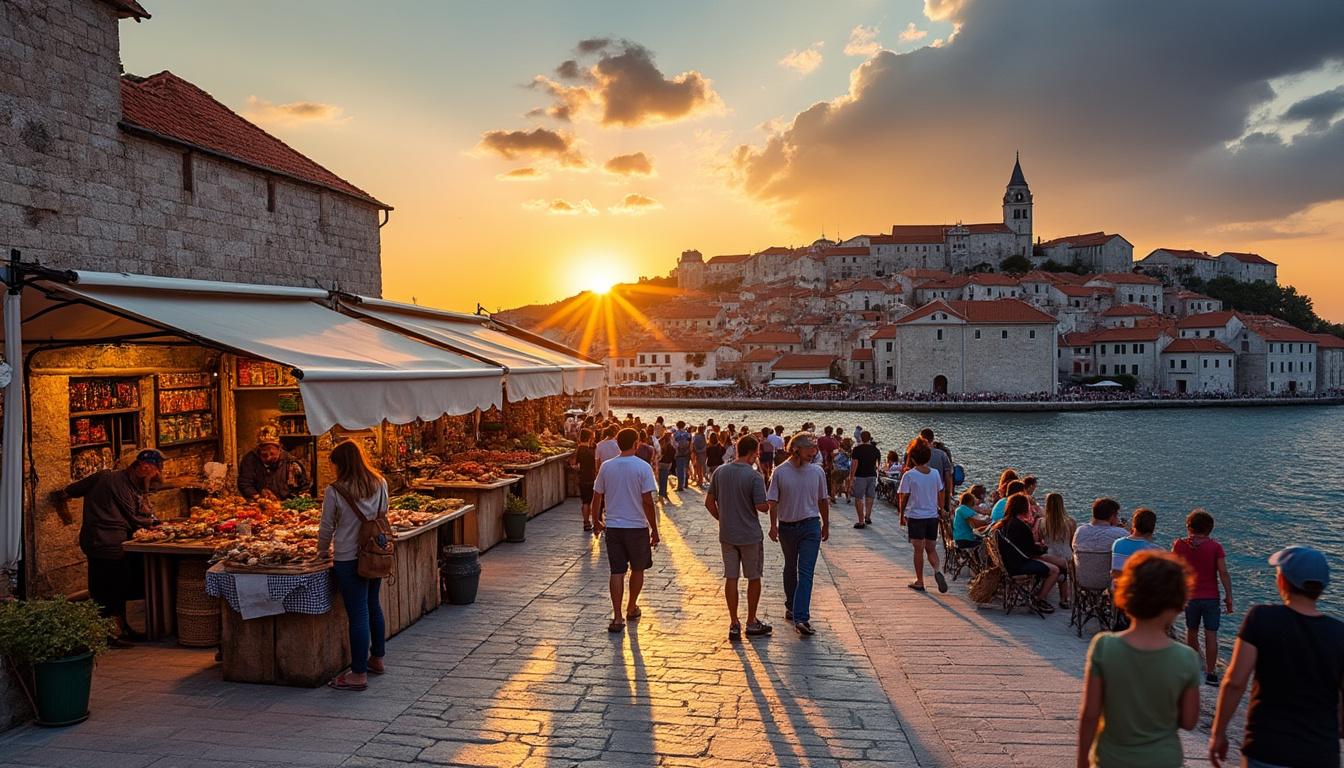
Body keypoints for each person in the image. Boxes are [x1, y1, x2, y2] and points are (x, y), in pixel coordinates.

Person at [1208, 546, 1344, 768]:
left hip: (1266, 748)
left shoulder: (1262, 618)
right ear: (1322, 588)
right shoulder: (1339, 634)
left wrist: (1218, 732)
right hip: (1321, 754)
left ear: (1282, 582)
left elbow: (1235, 682)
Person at [1077, 551, 1201, 768]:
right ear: (1178, 602)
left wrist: (1081, 762)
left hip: (1111, 759)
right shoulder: (1186, 658)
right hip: (1163, 759)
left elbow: (1090, 714)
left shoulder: (1104, 646)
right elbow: (1189, 721)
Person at [60, 449, 164, 645]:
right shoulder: (120, 485)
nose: (155, 475)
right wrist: (155, 524)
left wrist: (63, 498)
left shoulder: (105, 476)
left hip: (96, 540)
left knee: (113, 586)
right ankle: (110, 634)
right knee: (108, 589)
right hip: (106, 541)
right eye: (154, 472)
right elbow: (134, 517)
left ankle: (121, 628)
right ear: (144, 467)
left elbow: (71, 490)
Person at [319, 440, 390, 692]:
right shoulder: (380, 483)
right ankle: (377, 658)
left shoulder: (336, 490)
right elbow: (384, 514)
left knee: (358, 613)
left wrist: (320, 550)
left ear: (341, 465)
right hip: (374, 553)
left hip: (348, 557)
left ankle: (358, 673)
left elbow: (327, 525)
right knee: (373, 605)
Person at [591, 428, 660, 634]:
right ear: (636, 443)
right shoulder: (643, 467)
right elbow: (648, 501)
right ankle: (631, 607)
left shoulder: (606, 466)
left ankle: (617, 616)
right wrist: (654, 528)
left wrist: (596, 520)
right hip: (636, 527)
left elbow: (597, 496)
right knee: (638, 569)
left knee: (617, 571)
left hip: (613, 526)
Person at [706, 435, 773, 641]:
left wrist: (723, 519)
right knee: (753, 577)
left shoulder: (720, 472)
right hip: (750, 535)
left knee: (731, 577)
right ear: (754, 453)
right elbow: (762, 507)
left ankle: (734, 622)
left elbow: (709, 503)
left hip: (727, 534)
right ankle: (751, 621)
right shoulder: (754, 477)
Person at [767, 433, 830, 637]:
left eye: (815, 449)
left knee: (806, 572)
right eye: (809, 449)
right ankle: (791, 605)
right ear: (796, 449)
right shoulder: (780, 472)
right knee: (790, 567)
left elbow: (823, 500)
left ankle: (801, 617)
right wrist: (773, 525)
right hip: (787, 527)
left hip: (811, 525)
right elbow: (773, 501)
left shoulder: (817, 472)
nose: (814, 453)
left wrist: (826, 524)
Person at [1170, 509, 1233, 686]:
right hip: (1211, 597)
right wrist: (1229, 597)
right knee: (1211, 634)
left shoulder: (1179, 545)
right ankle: (1211, 672)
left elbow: (1174, 570)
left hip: (1190, 596)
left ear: (1188, 526)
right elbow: (1223, 573)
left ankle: (1192, 666)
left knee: (1192, 631)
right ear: (1210, 529)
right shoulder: (1215, 547)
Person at [993, 494, 1059, 612]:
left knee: (1046, 561)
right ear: (1023, 508)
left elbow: (1020, 546)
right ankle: (1038, 599)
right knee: (1055, 570)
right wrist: (1043, 548)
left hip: (1008, 563)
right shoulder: (1021, 527)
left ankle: (1035, 594)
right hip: (1018, 565)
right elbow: (1031, 551)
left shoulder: (1004, 523)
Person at [897, 440, 946, 593]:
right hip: (932, 516)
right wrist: (941, 509)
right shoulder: (935, 473)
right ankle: (937, 570)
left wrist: (901, 514)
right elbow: (941, 492)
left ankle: (920, 581)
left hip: (916, 516)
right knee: (931, 548)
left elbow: (904, 497)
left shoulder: (909, 475)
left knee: (918, 550)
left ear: (912, 458)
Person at [238, 424, 309, 500]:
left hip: (286, 504)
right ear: (259, 451)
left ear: (279, 450)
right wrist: (257, 497)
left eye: (272, 454)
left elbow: (304, 487)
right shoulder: (250, 459)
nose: (268, 458)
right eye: (264, 455)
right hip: (259, 503)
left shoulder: (291, 462)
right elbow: (244, 483)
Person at [1034, 492, 1077, 608]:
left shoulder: (1041, 522)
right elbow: (1072, 543)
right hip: (1067, 556)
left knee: (1058, 569)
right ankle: (1064, 599)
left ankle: (1046, 594)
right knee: (1063, 570)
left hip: (1050, 555)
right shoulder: (1071, 522)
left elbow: (1037, 542)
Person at [1111, 508, 1159, 578]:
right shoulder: (1156, 550)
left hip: (1118, 587)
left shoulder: (1117, 543)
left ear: (1134, 525)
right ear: (1153, 527)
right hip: (1137, 587)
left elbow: (1115, 572)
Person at [849, 430, 882, 527]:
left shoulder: (857, 449)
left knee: (859, 498)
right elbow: (878, 465)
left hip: (860, 476)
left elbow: (854, 464)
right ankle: (867, 517)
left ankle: (861, 521)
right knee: (870, 497)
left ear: (861, 438)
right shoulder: (876, 450)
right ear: (870, 438)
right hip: (872, 475)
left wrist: (851, 478)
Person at [573, 428, 597, 531]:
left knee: (585, 501)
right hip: (591, 478)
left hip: (582, 478)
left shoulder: (578, 450)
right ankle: (594, 521)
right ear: (590, 438)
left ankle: (586, 522)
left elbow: (575, 464)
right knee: (593, 501)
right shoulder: (590, 451)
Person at [830, 439, 852, 508]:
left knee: (833, 482)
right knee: (847, 481)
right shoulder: (850, 451)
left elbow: (832, 455)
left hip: (838, 470)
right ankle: (848, 497)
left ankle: (833, 497)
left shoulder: (838, 449)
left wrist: (837, 452)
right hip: (846, 471)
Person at [656, 432, 676, 503]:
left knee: (661, 481)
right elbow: (673, 456)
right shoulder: (670, 447)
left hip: (660, 464)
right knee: (664, 481)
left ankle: (662, 495)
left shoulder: (661, 444)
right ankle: (662, 496)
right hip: (666, 464)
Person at [672, 421, 692, 491]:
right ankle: (686, 483)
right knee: (686, 468)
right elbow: (690, 443)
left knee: (679, 470)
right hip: (686, 453)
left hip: (679, 453)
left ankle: (680, 486)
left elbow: (674, 444)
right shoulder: (688, 434)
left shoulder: (675, 434)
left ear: (677, 426)